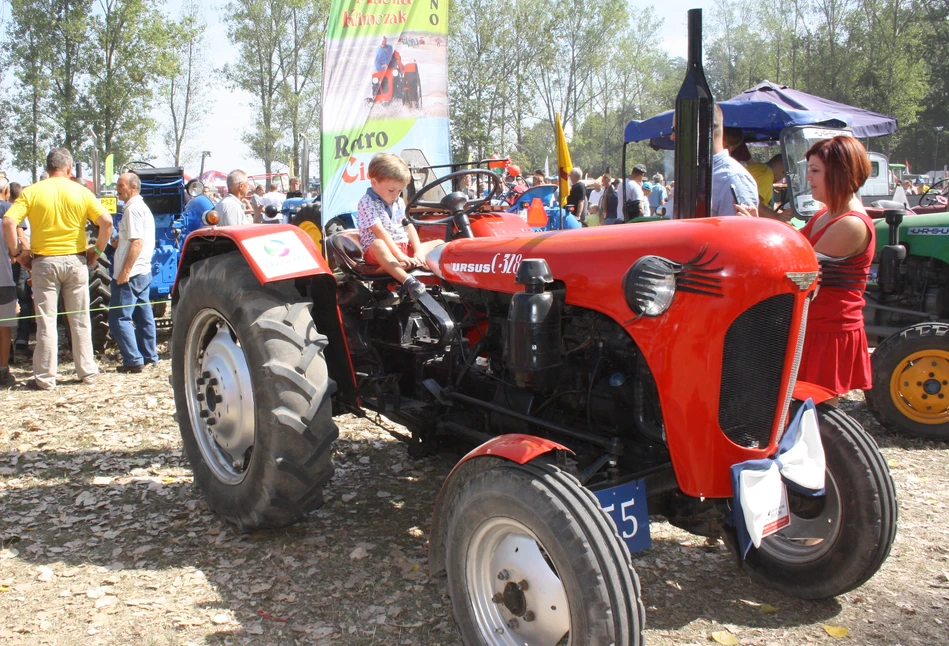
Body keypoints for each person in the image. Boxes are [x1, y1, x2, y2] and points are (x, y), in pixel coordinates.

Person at [2, 147, 113, 390]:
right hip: (76, 261)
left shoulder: (32, 191)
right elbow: (106, 221)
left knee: (46, 321)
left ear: (47, 167)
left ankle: (45, 378)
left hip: (44, 262)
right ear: (70, 169)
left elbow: (9, 221)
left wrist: (18, 253)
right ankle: (88, 372)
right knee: (81, 319)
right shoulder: (81, 192)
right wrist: (99, 250)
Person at [796, 136, 875, 403]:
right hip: (812, 325)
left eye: (816, 170)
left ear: (840, 173)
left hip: (829, 331)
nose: (809, 178)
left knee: (816, 412)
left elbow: (794, 261)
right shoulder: (824, 214)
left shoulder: (850, 224)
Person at [356, 153, 442, 299]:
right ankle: (409, 282)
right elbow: (380, 232)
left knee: (439, 244)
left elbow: (409, 227)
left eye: (400, 191)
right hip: (380, 253)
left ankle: (444, 279)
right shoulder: (366, 203)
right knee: (378, 244)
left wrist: (418, 252)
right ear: (374, 182)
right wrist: (399, 255)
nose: (396, 195)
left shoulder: (399, 202)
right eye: (391, 190)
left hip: (402, 247)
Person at [108, 173, 159, 374]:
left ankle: (133, 360)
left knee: (119, 318)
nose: (117, 189)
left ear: (133, 187)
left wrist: (124, 271)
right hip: (143, 270)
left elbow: (137, 242)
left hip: (131, 272)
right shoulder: (140, 207)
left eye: (120, 185)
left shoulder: (132, 209)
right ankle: (149, 356)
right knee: (143, 314)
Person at [711, 105, 758, 217]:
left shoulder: (733, 177)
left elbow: (742, 232)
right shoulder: (694, 174)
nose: (672, 137)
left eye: (677, 129)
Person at [0, 178, 20, 385]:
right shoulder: (6, 223)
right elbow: (14, 254)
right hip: (3, 281)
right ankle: (3, 370)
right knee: (4, 327)